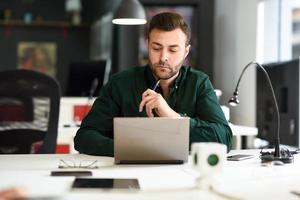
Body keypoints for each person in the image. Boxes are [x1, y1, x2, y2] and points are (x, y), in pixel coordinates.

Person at [74, 12, 232, 156]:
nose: (163, 57)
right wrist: (129, 149)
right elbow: (84, 137)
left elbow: (223, 137)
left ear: (186, 51)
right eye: (156, 48)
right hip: (130, 173)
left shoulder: (198, 83)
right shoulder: (120, 83)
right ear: (147, 45)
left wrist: (173, 118)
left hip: (183, 175)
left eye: (173, 50)